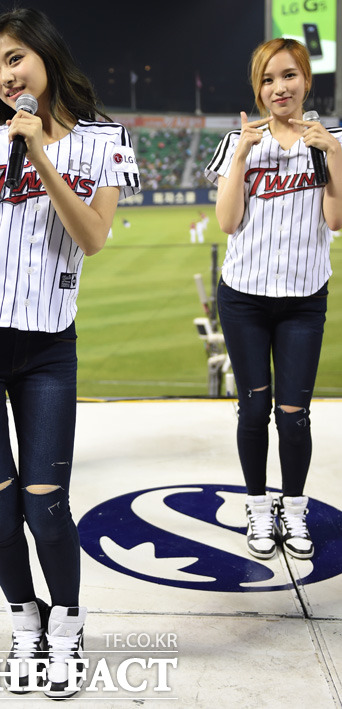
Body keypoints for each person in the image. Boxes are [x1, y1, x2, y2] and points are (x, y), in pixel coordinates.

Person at [0, 8, 139, 699]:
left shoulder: (105, 140)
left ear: (46, 56)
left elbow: (92, 238)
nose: (5, 76)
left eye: (15, 58)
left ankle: (68, 626)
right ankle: (27, 622)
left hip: (48, 349)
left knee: (46, 506)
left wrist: (41, 154)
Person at [205, 38, 342, 561]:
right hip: (244, 297)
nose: (278, 88)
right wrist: (242, 153)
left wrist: (332, 154)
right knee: (254, 408)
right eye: (267, 79)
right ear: (257, 89)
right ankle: (258, 507)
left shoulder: (333, 140)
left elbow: (335, 219)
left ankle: (295, 508)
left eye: (288, 75)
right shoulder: (238, 141)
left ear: (306, 79)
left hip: (304, 298)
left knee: (294, 413)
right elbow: (227, 222)